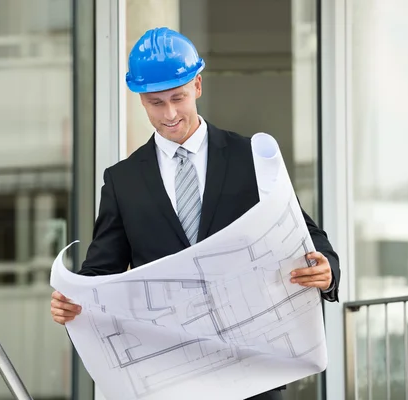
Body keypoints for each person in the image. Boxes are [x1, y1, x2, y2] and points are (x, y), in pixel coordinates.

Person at [51, 27, 340, 400]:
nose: (170, 113)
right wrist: (73, 299)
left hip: (254, 370)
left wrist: (327, 268)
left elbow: (304, 233)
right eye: (156, 102)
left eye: (178, 97)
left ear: (198, 86)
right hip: (174, 377)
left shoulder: (248, 157)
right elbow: (100, 275)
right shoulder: (123, 181)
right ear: (140, 99)